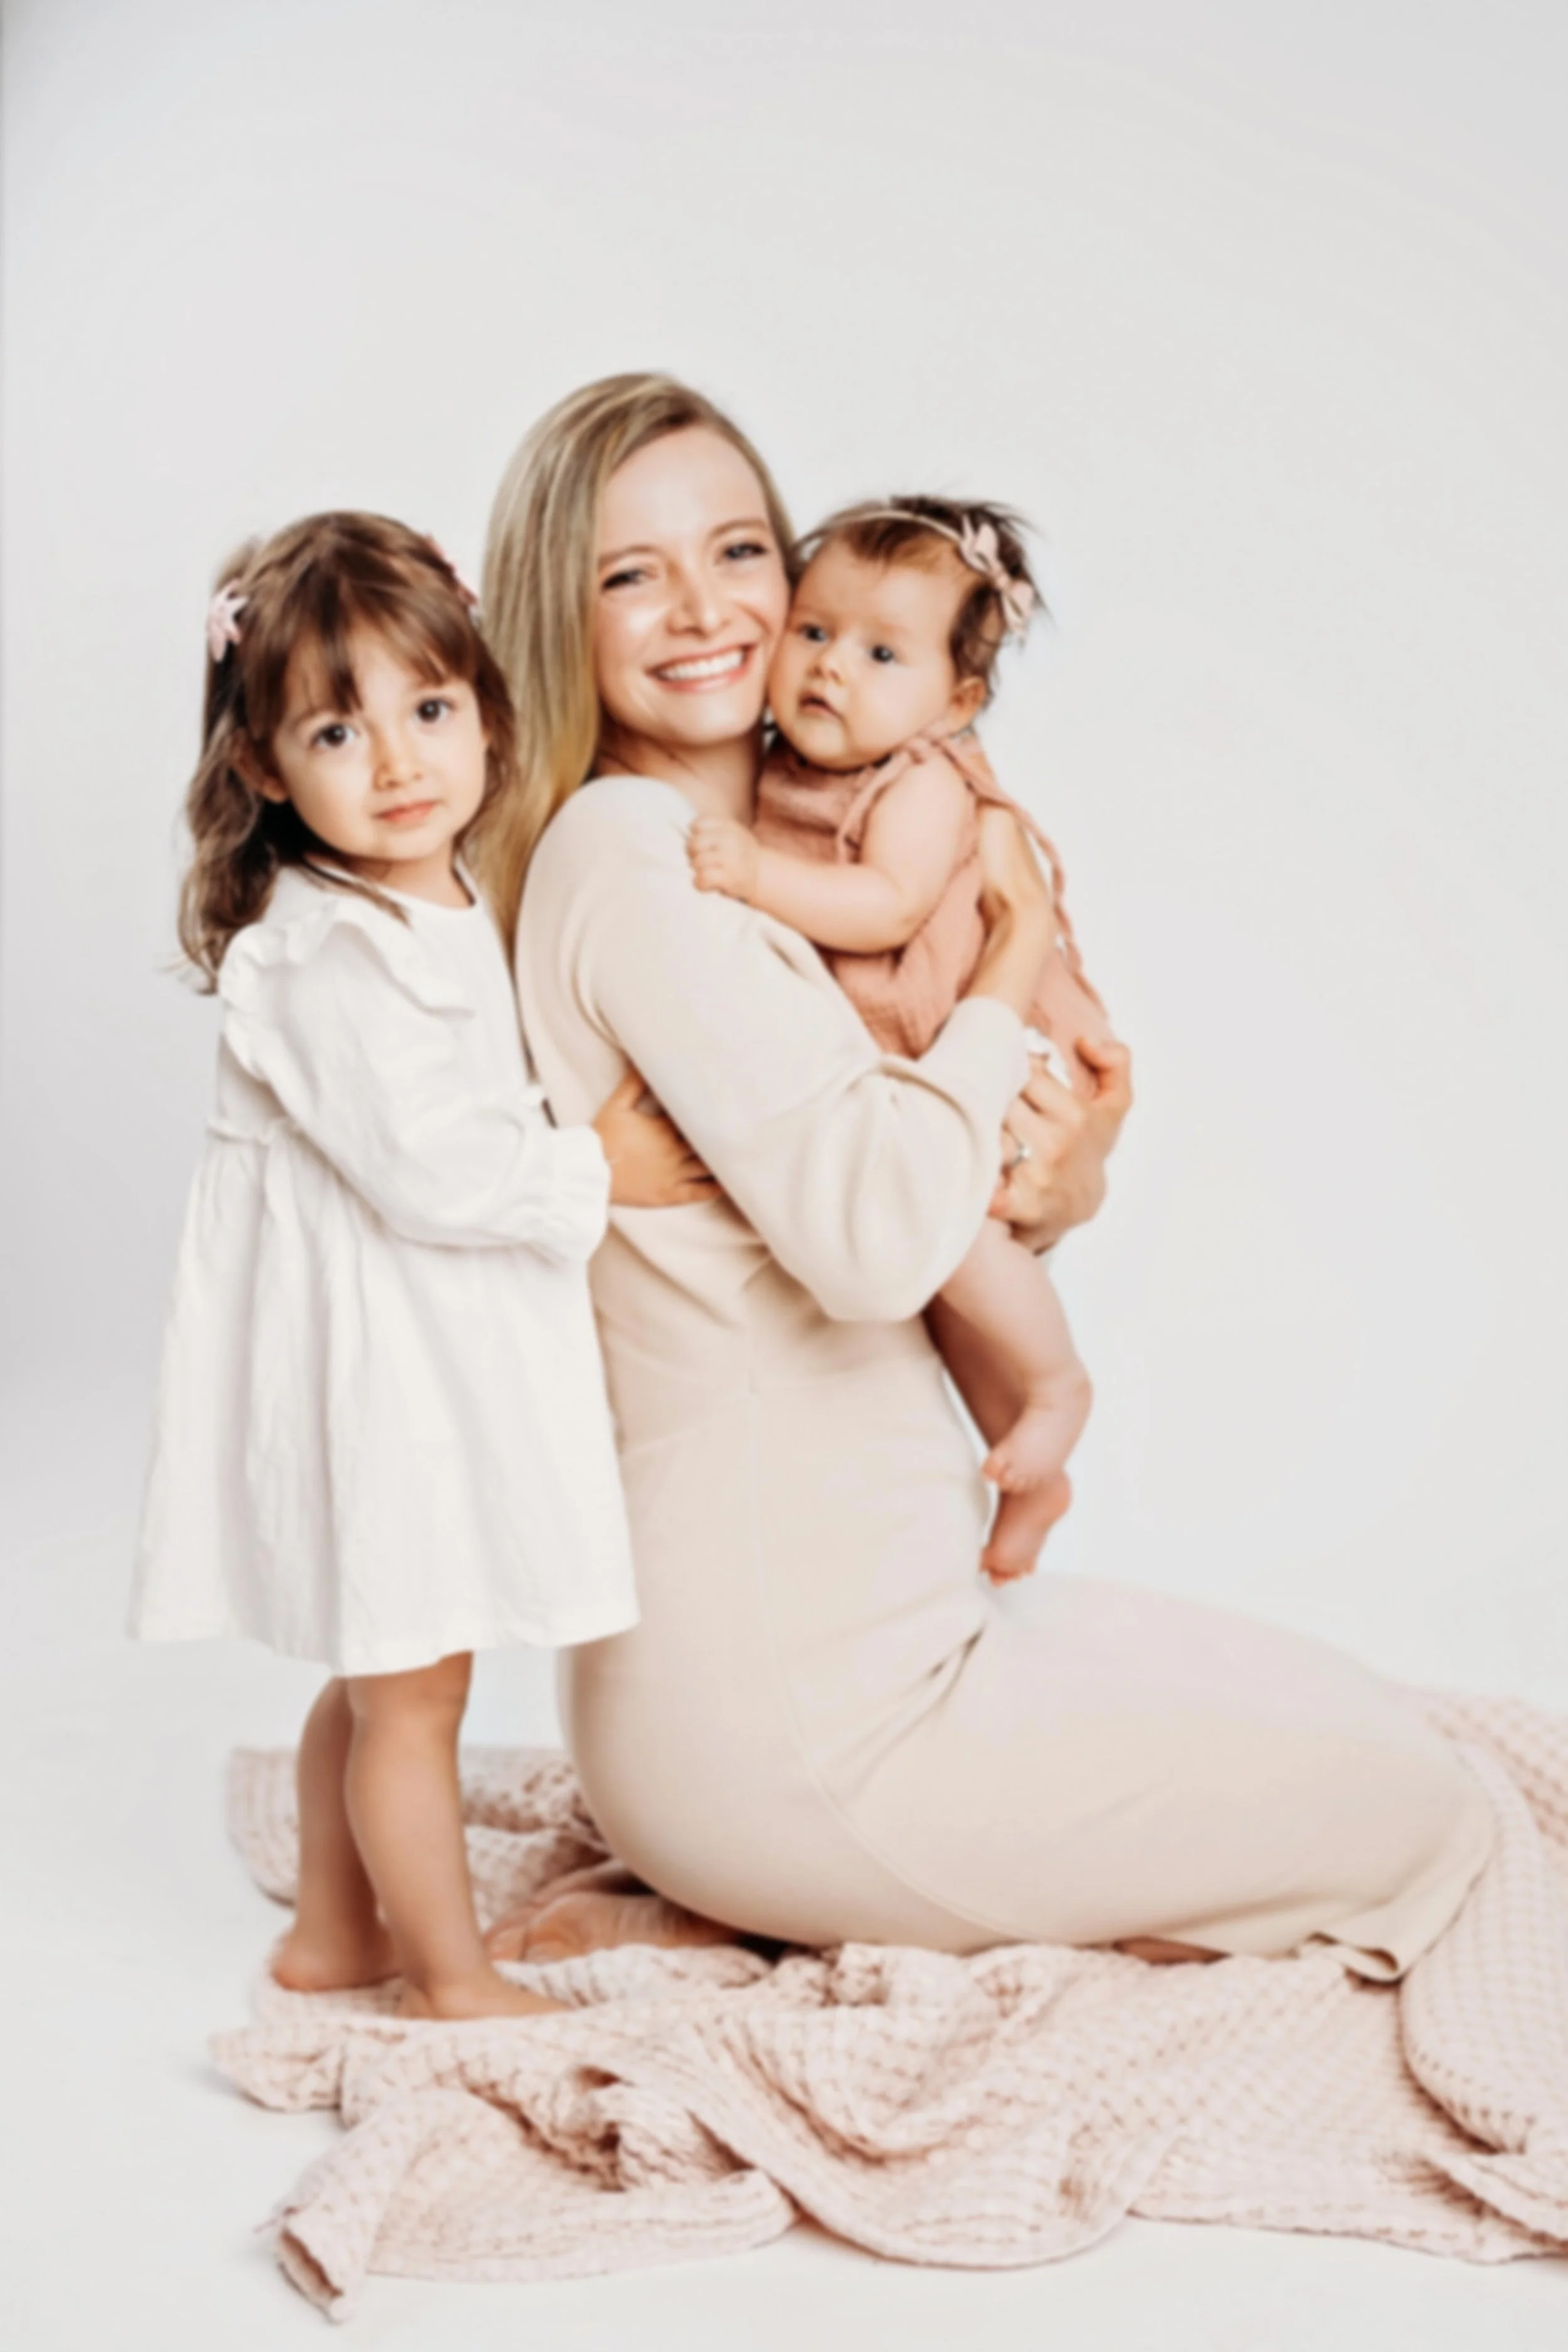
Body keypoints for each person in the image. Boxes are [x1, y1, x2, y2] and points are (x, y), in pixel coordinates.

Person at [482, 374, 1493, 1975]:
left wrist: (1051, 1182)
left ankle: (785, 1879)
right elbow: (880, 1245)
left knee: (1366, 1718)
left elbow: (875, 1193)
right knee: (1418, 1811)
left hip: (871, 1632)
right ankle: (784, 1873)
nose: (705, 611)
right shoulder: (639, 858)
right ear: (559, 611)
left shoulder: (789, 845)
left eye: (739, 550)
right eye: (628, 573)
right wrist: (1010, 961)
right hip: (800, 1713)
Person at [129, 512, 711, 2020]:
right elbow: (429, 1168)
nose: (398, 765)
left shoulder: (445, 889)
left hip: (428, 1337)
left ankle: (334, 1929)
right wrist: (598, 1165)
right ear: (261, 764)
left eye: (429, 710)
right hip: (377, 1358)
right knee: (413, 1688)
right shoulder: (320, 953)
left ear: (485, 712)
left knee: (381, 1662)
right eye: (339, 728)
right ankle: (449, 1976)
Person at [686, 494, 1113, 1584]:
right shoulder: (785, 756)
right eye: (817, 631)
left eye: (884, 652)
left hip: (948, 1058)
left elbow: (884, 905)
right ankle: (1027, 1467)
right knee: (951, 1307)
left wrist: (753, 876)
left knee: (966, 1245)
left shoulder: (923, 779)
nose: (832, 669)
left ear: (956, 700)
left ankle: (1061, 1386)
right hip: (889, 1080)